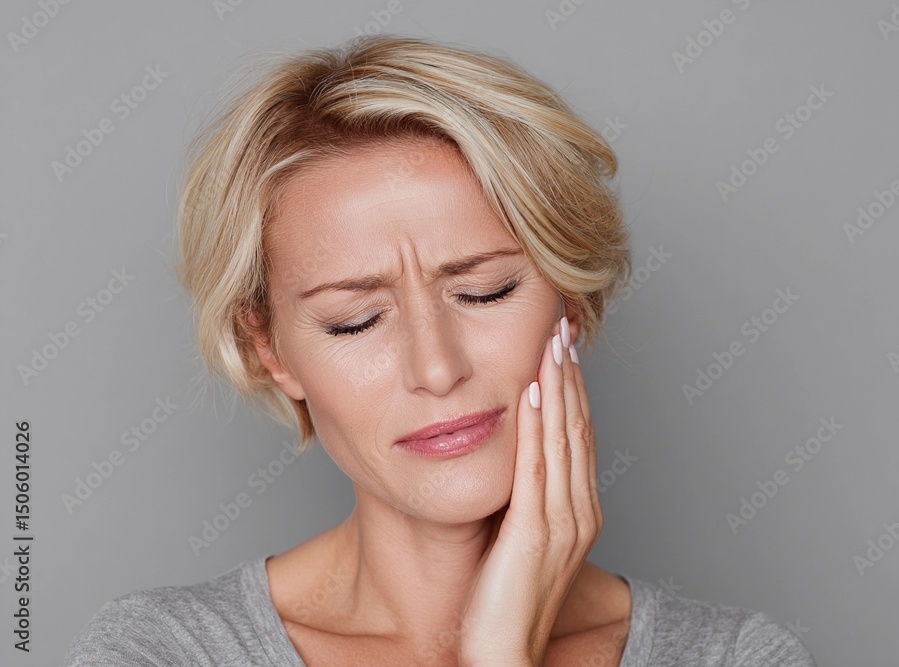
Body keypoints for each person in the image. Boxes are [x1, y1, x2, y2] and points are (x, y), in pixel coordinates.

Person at [62, 34, 817, 666]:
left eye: (485, 291)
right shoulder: (165, 651)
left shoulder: (733, 656)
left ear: (571, 298)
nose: (436, 368)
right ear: (272, 350)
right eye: (355, 320)